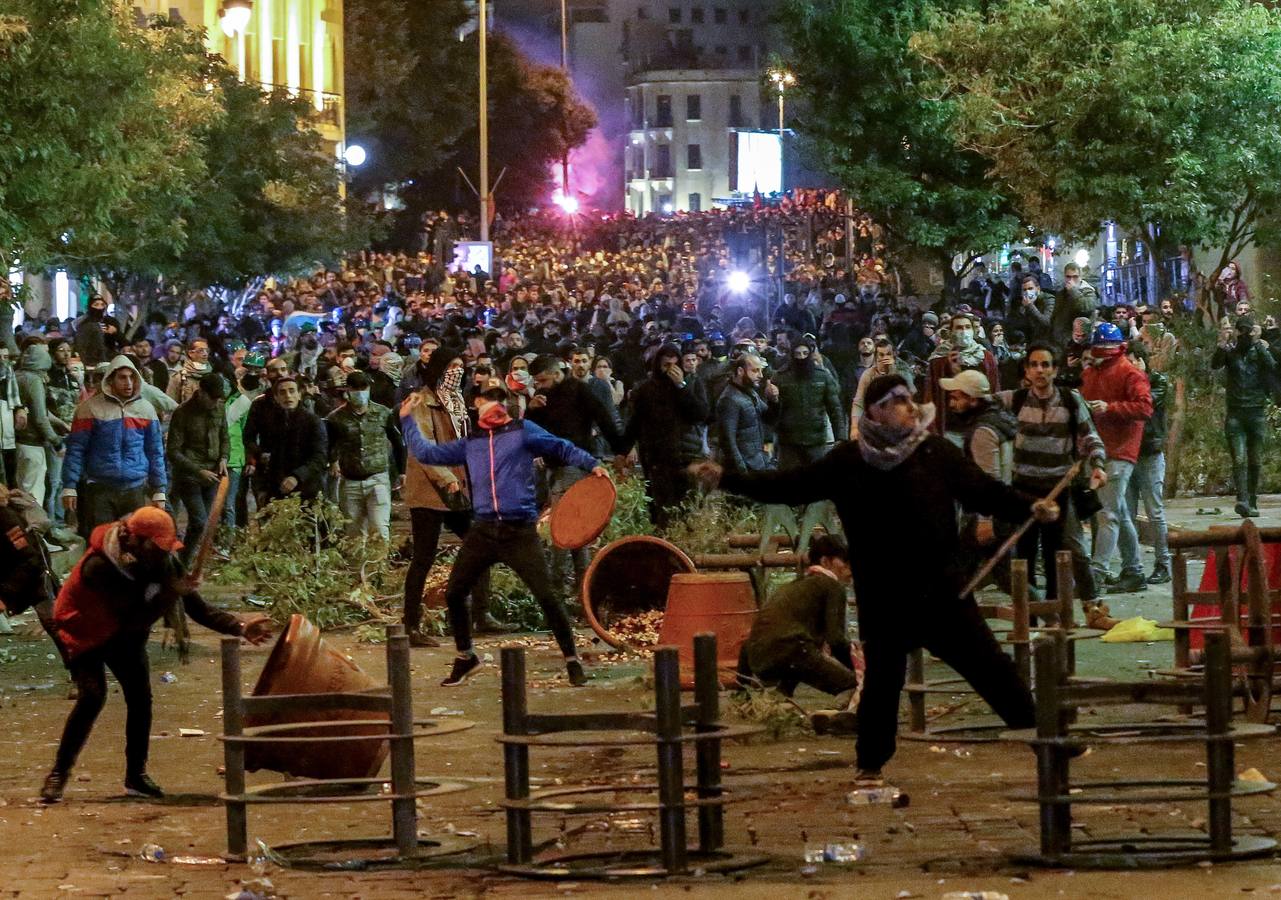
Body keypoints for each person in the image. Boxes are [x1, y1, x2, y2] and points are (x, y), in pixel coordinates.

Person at [693, 374, 1058, 783]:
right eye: (899, 401)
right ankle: (870, 766)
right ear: (876, 411)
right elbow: (789, 486)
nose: (911, 407)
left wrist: (1030, 506)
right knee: (883, 685)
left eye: (910, 399)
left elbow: (983, 490)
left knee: (992, 669)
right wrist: (726, 478)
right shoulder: (848, 461)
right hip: (884, 594)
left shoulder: (934, 453)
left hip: (941, 590)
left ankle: (1045, 738)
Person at [39, 507, 272, 803]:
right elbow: (131, 615)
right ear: (136, 541)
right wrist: (169, 593)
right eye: (158, 547)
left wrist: (239, 627)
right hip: (83, 628)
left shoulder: (162, 561)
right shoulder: (99, 566)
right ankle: (58, 774)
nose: (164, 554)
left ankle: (136, 776)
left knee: (140, 699)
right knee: (92, 697)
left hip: (125, 634)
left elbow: (197, 608)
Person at [400, 384, 609, 687]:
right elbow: (427, 453)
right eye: (488, 400)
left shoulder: (522, 431)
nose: (493, 406)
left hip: (519, 531)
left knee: (547, 597)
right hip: (483, 529)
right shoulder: (471, 442)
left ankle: (572, 659)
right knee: (456, 592)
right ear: (477, 404)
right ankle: (466, 656)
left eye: (500, 400)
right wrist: (407, 419)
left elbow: (560, 446)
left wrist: (593, 464)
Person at [994, 343, 1108, 619]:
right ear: (1026, 370)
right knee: (1025, 556)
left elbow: (1089, 435)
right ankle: (1030, 617)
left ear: (1055, 370)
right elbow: (981, 404)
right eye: (1034, 365)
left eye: (1045, 365)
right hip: (1024, 491)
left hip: (1059, 488)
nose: (1040, 370)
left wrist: (1098, 464)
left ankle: (1077, 610)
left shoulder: (1070, 400)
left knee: (1066, 552)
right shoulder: (1015, 400)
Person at [525, 354, 625, 594]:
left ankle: (557, 586)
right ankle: (583, 587)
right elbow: (533, 432)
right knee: (575, 530)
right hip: (556, 467)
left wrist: (620, 450)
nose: (540, 386)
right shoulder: (544, 398)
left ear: (557, 374)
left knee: (562, 528)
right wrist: (531, 411)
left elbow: (605, 418)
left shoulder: (579, 391)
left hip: (573, 467)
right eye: (536, 382)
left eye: (543, 380)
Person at [740, 534, 859, 732]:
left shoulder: (794, 586)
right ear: (826, 561)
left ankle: (769, 703)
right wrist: (859, 672)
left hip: (759, 658)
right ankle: (830, 718)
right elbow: (836, 640)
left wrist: (741, 689)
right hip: (792, 651)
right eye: (845, 562)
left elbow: (753, 640)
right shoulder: (831, 585)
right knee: (851, 685)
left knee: (801, 650)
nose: (849, 569)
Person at [1080, 322, 1153, 594]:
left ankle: (1096, 573)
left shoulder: (1129, 373)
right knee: (1118, 512)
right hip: (1102, 449)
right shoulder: (1094, 373)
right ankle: (1134, 570)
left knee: (1107, 513)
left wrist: (1109, 408)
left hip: (1119, 450)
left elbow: (1145, 408)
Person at [61, 356, 167, 538]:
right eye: (122, 377)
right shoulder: (90, 409)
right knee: (101, 542)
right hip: (100, 489)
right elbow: (76, 449)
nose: (128, 383)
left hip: (134, 489)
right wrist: (69, 486)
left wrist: (159, 490)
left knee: (132, 544)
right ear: (110, 379)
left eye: (132, 378)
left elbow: (155, 451)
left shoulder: (146, 410)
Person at [620, 344, 710, 527]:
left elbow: (701, 414)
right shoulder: (645, 390)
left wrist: (682, 387)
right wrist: (623, 450)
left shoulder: (692, 383)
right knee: (663, 511)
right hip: (658, 459)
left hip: (687, 455)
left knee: (688, 509)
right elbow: (634, 423)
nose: (670, 371)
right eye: (666, 365)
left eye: (674, 365)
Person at [325, 371, 405, 541]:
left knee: (379, 529)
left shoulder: (383, 413)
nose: (360, 392)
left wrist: (402, 471)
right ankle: (357, 568)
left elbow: (398, 442)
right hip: (350, 480)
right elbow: (330, 444)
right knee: (353, 534)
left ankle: (378, 567)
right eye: (355, 388)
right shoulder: (336, 418)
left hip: (378, 478)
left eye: (363, 387)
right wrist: (333, 461)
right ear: (348, 390)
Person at [1211, 315, 1276, 518]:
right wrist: (1222, 343)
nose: (1246, 335)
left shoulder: (1259, 350)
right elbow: (1216, 364)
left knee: (1254, 460)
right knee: (1238, 459)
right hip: (1236, 413)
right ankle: (1243, 499)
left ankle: (1253, 499)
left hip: (1256, 411)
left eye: (1249, 330)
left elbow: (1272, 364)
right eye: (1243, 331)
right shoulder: (1231, 352)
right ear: (1238, 332)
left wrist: (1258, 343)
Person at [165, 373, 229, 565]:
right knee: (199, 520)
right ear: (201, 392)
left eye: (219, 398)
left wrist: (224, 458)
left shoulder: (219, 409)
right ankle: (183, 560)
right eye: (212, 397)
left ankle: (184, 560)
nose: (215, 402)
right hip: (189, 476)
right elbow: (174, 451)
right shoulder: (182, 412)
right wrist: (198, 471)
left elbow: (225, 437)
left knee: (202, 524)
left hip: (212, 475)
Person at [1124, 342, 1172, 585]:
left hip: (1150, 452)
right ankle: (1132, 568)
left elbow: (1145, 407)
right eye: (1128, 362)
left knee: (1155, 512)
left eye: (1135, 361)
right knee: (1127, 514)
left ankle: (1163, 564)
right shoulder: (1125, 384)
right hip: (1127, 452)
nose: (1132, 366)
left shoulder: (1157, 382)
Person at [255, 376, 328, 505]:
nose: (288, 396)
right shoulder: (271, 422)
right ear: (276, 398)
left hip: (307, 491)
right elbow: (266, 457)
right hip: (277, 492)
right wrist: (262, 488)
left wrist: (297, 477)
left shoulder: (313, 421)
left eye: (292, 391)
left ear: (299, 395)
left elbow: (319, 457)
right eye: (282, 392)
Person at [925, 313, 1001, 434]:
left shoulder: (985, 356)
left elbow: (994, 389)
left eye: (967, 327)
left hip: (980, 422)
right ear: (951, 331)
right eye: (959, 328)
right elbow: (931, 394)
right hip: (951, 424)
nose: (964, 331)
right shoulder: (938, 359)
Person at [14, 339, 62, 508]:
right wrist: (56, 441)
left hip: (17, 442)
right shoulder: (33, 380)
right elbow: (40, 417)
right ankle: (34, 532)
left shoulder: (17, 375)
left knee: (21, 490)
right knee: (32, 495)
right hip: (32, 443)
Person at [1049, 262, 1099, 349]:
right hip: (1060, 340)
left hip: (1080, 342)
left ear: (1080, 277)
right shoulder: (1061, 293)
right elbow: (1056, 315)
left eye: (1075, 277)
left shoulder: (1088, 291)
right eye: (1068, 277)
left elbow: (1086, 308)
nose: (1071, 280)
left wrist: (1073, 291)